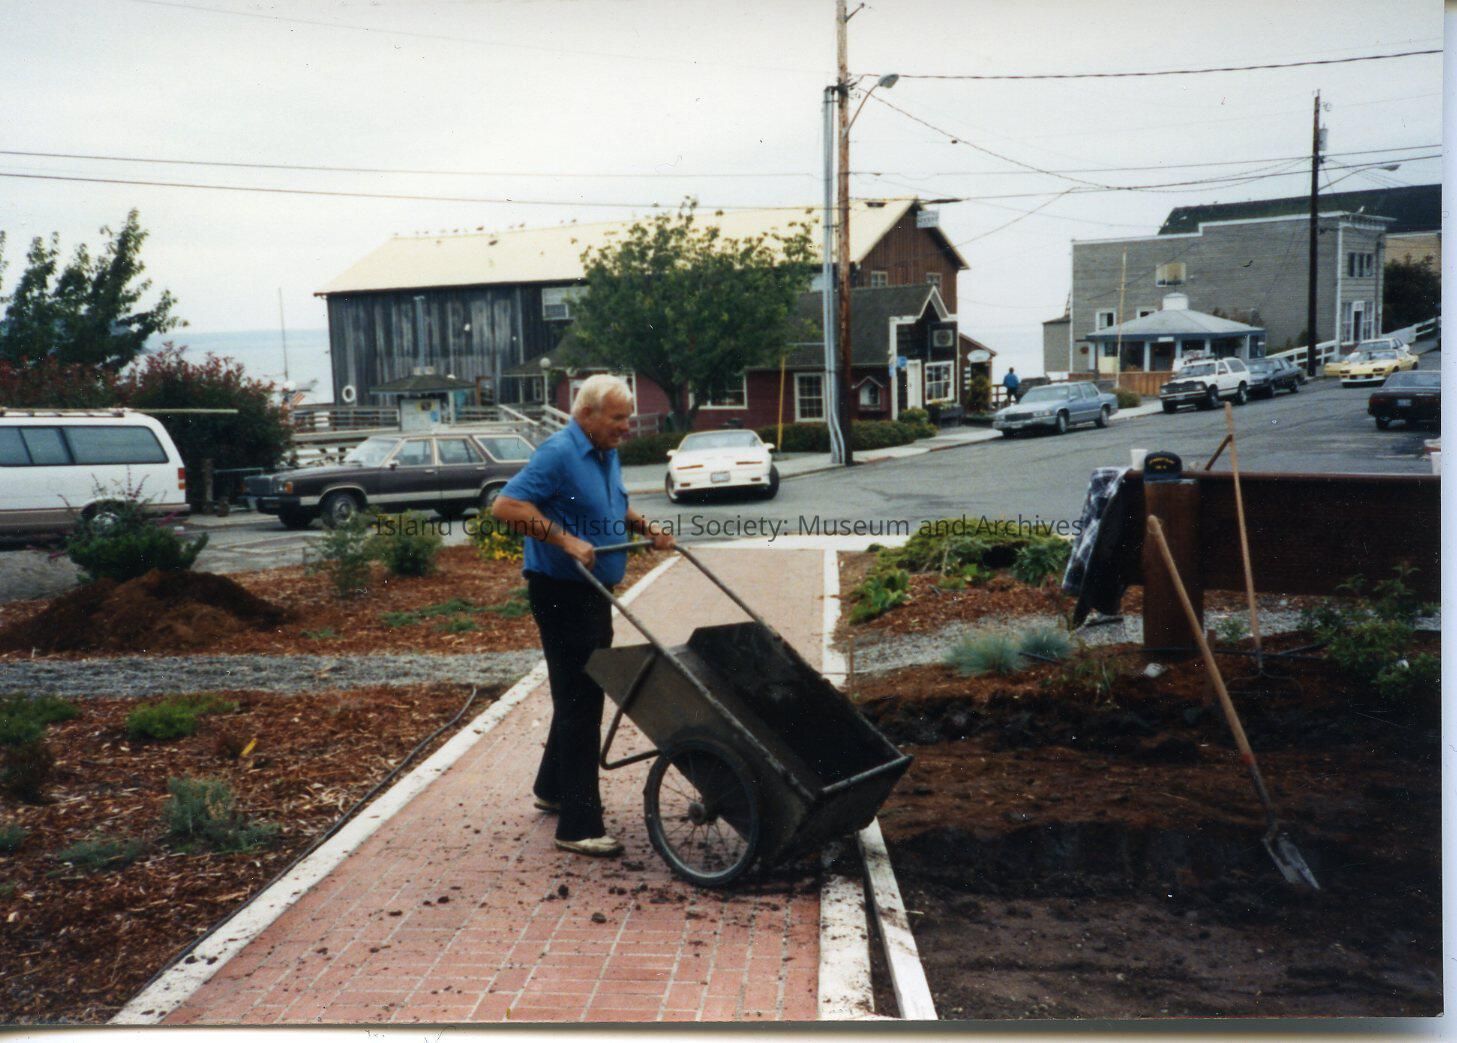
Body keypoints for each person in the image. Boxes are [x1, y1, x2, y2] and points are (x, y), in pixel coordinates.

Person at [491, 375, 674, 857]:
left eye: (627, 418)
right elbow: (506, 505)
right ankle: (578, 826)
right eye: (618, 418)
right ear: (587, 414)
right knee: (582, 701)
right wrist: (564, 540)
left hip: (593, 592)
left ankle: (553, 788)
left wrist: (647, 527)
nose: (626, 427)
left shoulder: (604, 451)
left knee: (578, 691)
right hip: (561, 592)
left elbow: (615, 503)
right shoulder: (558, 452)